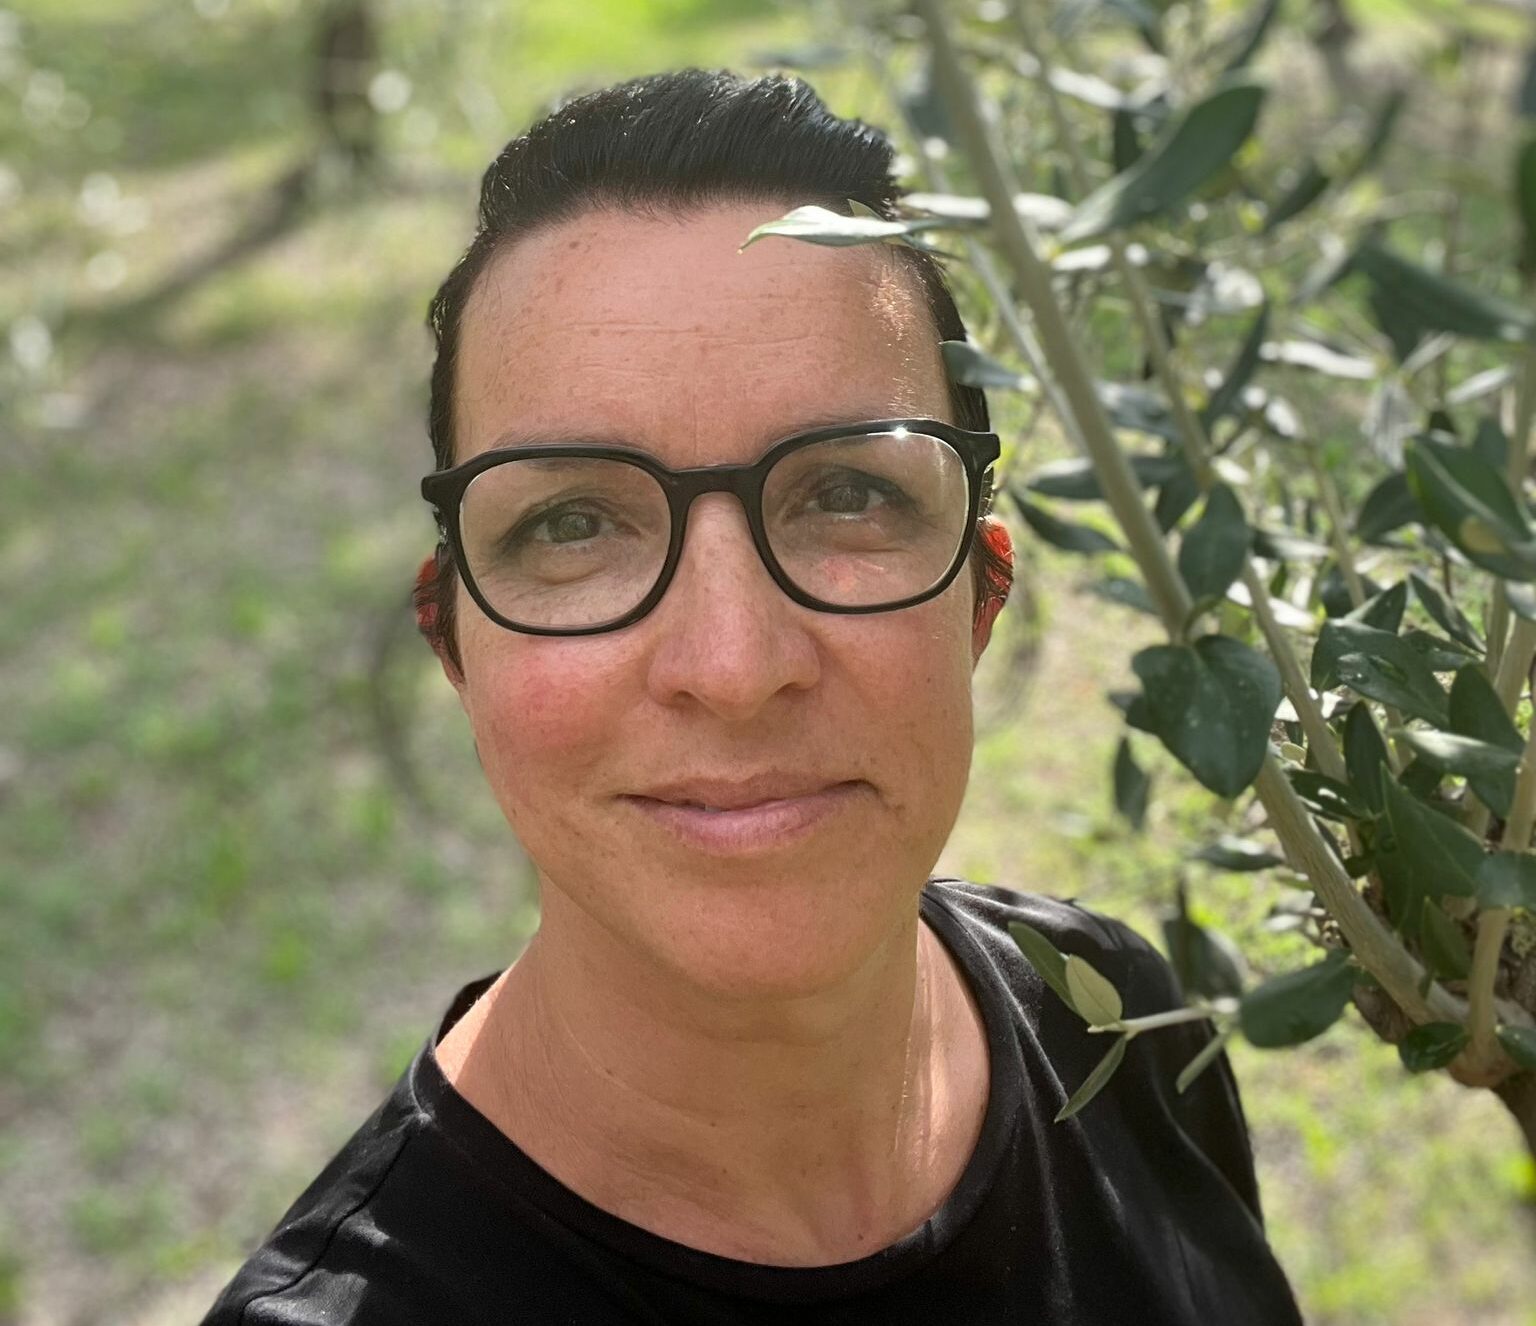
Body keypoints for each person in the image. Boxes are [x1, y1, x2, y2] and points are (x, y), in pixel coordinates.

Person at [202, 70, 1302, 1324]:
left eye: (847, 495)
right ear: (454, 642)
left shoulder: (1123, 1025)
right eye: (574, 523)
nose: (733, 668)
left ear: (981, 595)